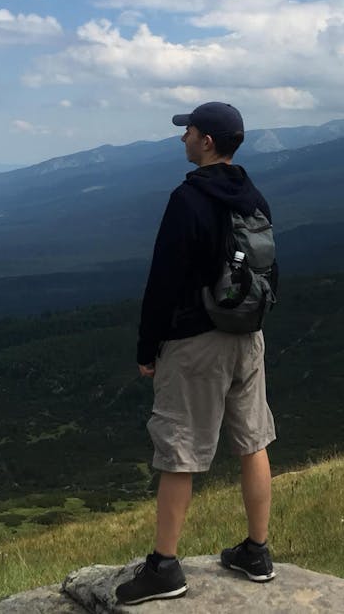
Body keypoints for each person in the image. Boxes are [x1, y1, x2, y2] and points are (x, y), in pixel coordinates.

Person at [115, 102, 278, 605]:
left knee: (179, 450)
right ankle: (257, 551)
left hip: (195, 343)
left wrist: (148, 346)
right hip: (247, 337)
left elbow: (162, 281)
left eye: (188, 130)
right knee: (252, 441)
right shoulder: (254, 196)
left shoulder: (188, 199)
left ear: (207, 141)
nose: (182, 137)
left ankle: (164, 567)